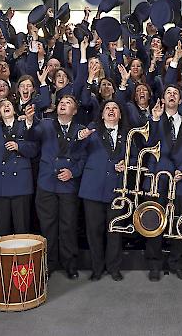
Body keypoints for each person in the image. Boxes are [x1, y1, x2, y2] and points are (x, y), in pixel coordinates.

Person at [25, 95, 85, 279]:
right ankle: (49, 263)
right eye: (61, 103)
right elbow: (32, 136)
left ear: (74, 111)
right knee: (48, 226)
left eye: (68, 103)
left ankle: (70, 263)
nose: (63, 105)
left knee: (68, 225)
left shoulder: (80, 130)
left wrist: (72, 172)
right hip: (47, 184)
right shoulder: (45, 124)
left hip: (68, 185)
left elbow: (83, 158)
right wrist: (29, 121)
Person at [144, 85, 182, 281]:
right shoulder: (154, 119)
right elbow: (148, 145)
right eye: (169, 93)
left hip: (180, 180)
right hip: (157, 179)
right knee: (153, 222)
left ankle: (177, 263)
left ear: (181, 101)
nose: (172, 95)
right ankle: (154, 265)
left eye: (176, 93)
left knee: (179, 223)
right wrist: (155, 119)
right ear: (163, 99)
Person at [78, 100, 130, 282]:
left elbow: (134, 157)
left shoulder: (128, 135)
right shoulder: (91, 131)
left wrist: (127, 164)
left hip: (117, 189)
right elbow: (76, 152)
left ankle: (114, 268)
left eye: (115, 108)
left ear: (120, 114)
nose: (111, 110)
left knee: (115, 230)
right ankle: (97, 268)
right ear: (101, 114)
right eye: (107, 108)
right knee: (94, 231)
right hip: (92, 188)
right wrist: (80, 138)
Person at [0, 87, 38, 236]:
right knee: (2, 228)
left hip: (20, 184)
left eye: (9, 105)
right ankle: (4, 259)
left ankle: (23, 259)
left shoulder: (26, 125)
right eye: (3, 106)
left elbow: (34, 149)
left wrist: (19, 146)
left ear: (15, 111)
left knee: (21, 227)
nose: (6, 107)